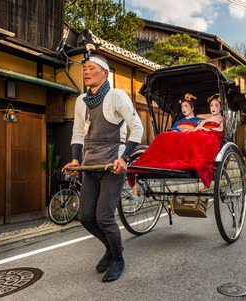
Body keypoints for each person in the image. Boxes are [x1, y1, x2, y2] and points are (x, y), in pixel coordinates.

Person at [64, 53, 144, 282]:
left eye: (91, 68)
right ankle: (110, 248)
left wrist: (125, 158)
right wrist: (76, 160)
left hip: (113, 164)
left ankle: (118, 258)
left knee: (104, 217)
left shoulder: (116, 95)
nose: (86, 72)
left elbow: (136, 128)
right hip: (90, 166)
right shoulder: (81, 101)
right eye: (84, 68)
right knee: (86, 216)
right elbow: (78, 132)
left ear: (105, 73)